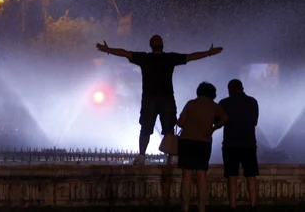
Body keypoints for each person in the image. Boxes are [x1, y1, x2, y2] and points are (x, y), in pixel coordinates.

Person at [95, 35, 223, 164]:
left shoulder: (145, 58)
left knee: (145, 128)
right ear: (163, 45)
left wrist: (109, 50)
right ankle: (172, 155)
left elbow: (125, 53)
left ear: (150, 46)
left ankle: (142, 155)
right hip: (166, 98)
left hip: (149, 99)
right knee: (169, 129)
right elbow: (190, 57)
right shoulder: (169, 58)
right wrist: (208, 53)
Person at [177, 82, 228, 212]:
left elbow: (181, 122)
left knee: (186, 175)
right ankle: (201, 208)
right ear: (212, 94)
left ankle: (185, 207)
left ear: (198, 91)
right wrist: (213, 128)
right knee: (201, 175)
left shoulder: (190, 103)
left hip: (187, 141)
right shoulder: (214, 106)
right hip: (204, 142)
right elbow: (224, 118)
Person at [219, 79, 259, 211]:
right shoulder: (252, 102)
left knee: (232, 176)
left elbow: (219, 121)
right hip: (248, 143)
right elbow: (254, 122)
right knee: (251, 176)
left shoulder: (224, 103)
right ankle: (253, 205)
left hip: (230, 144)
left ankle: (233, 206)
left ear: (230, 89)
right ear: (242, 88)